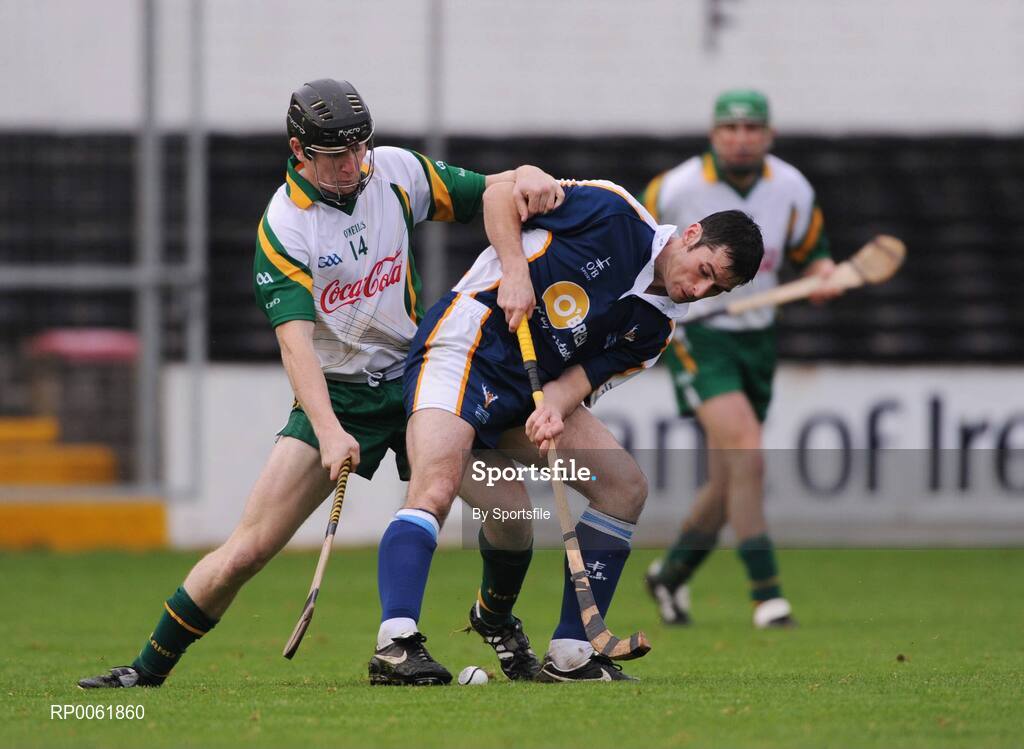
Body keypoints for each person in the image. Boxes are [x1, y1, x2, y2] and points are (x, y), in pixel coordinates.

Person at [77, 78, 563, 689]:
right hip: (339, 395)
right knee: (249, 549)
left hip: (422, 381)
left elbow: (490, 191)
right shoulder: (285, 227)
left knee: (512, 510)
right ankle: (144, 672)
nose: (352, 165)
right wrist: (330, 432)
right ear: (298, 151)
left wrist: (525, 173)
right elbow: (295, 345)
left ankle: (495, 623)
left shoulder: (394, 171)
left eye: (359, 148)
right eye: (335, 155)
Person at [367, 176, 764, 685]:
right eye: (705, 272)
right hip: (466, 346)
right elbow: (497, 196)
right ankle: (396, 643)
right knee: (438, 487)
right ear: (690, 235)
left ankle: (570, 651)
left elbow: (579, 380)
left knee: (616, 489)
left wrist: (554, 408)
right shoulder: (613, 212)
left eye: (716, 290)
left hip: (525, 393)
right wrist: (515, 272)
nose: (698, 291)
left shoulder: (657, 327)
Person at [640, 89, 843, 629]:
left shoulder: (793, 187)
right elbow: (634, 237)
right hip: (700, 336)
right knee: (748, 453)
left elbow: (812, 254)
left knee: (731, 479)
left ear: (768, 135)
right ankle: (767, 594)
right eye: (730, 128)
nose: (741, 138)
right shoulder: (677, 187)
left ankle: (670, 575)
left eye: (752, 128)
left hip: (758, 338)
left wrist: (823, 275)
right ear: (714, 134)